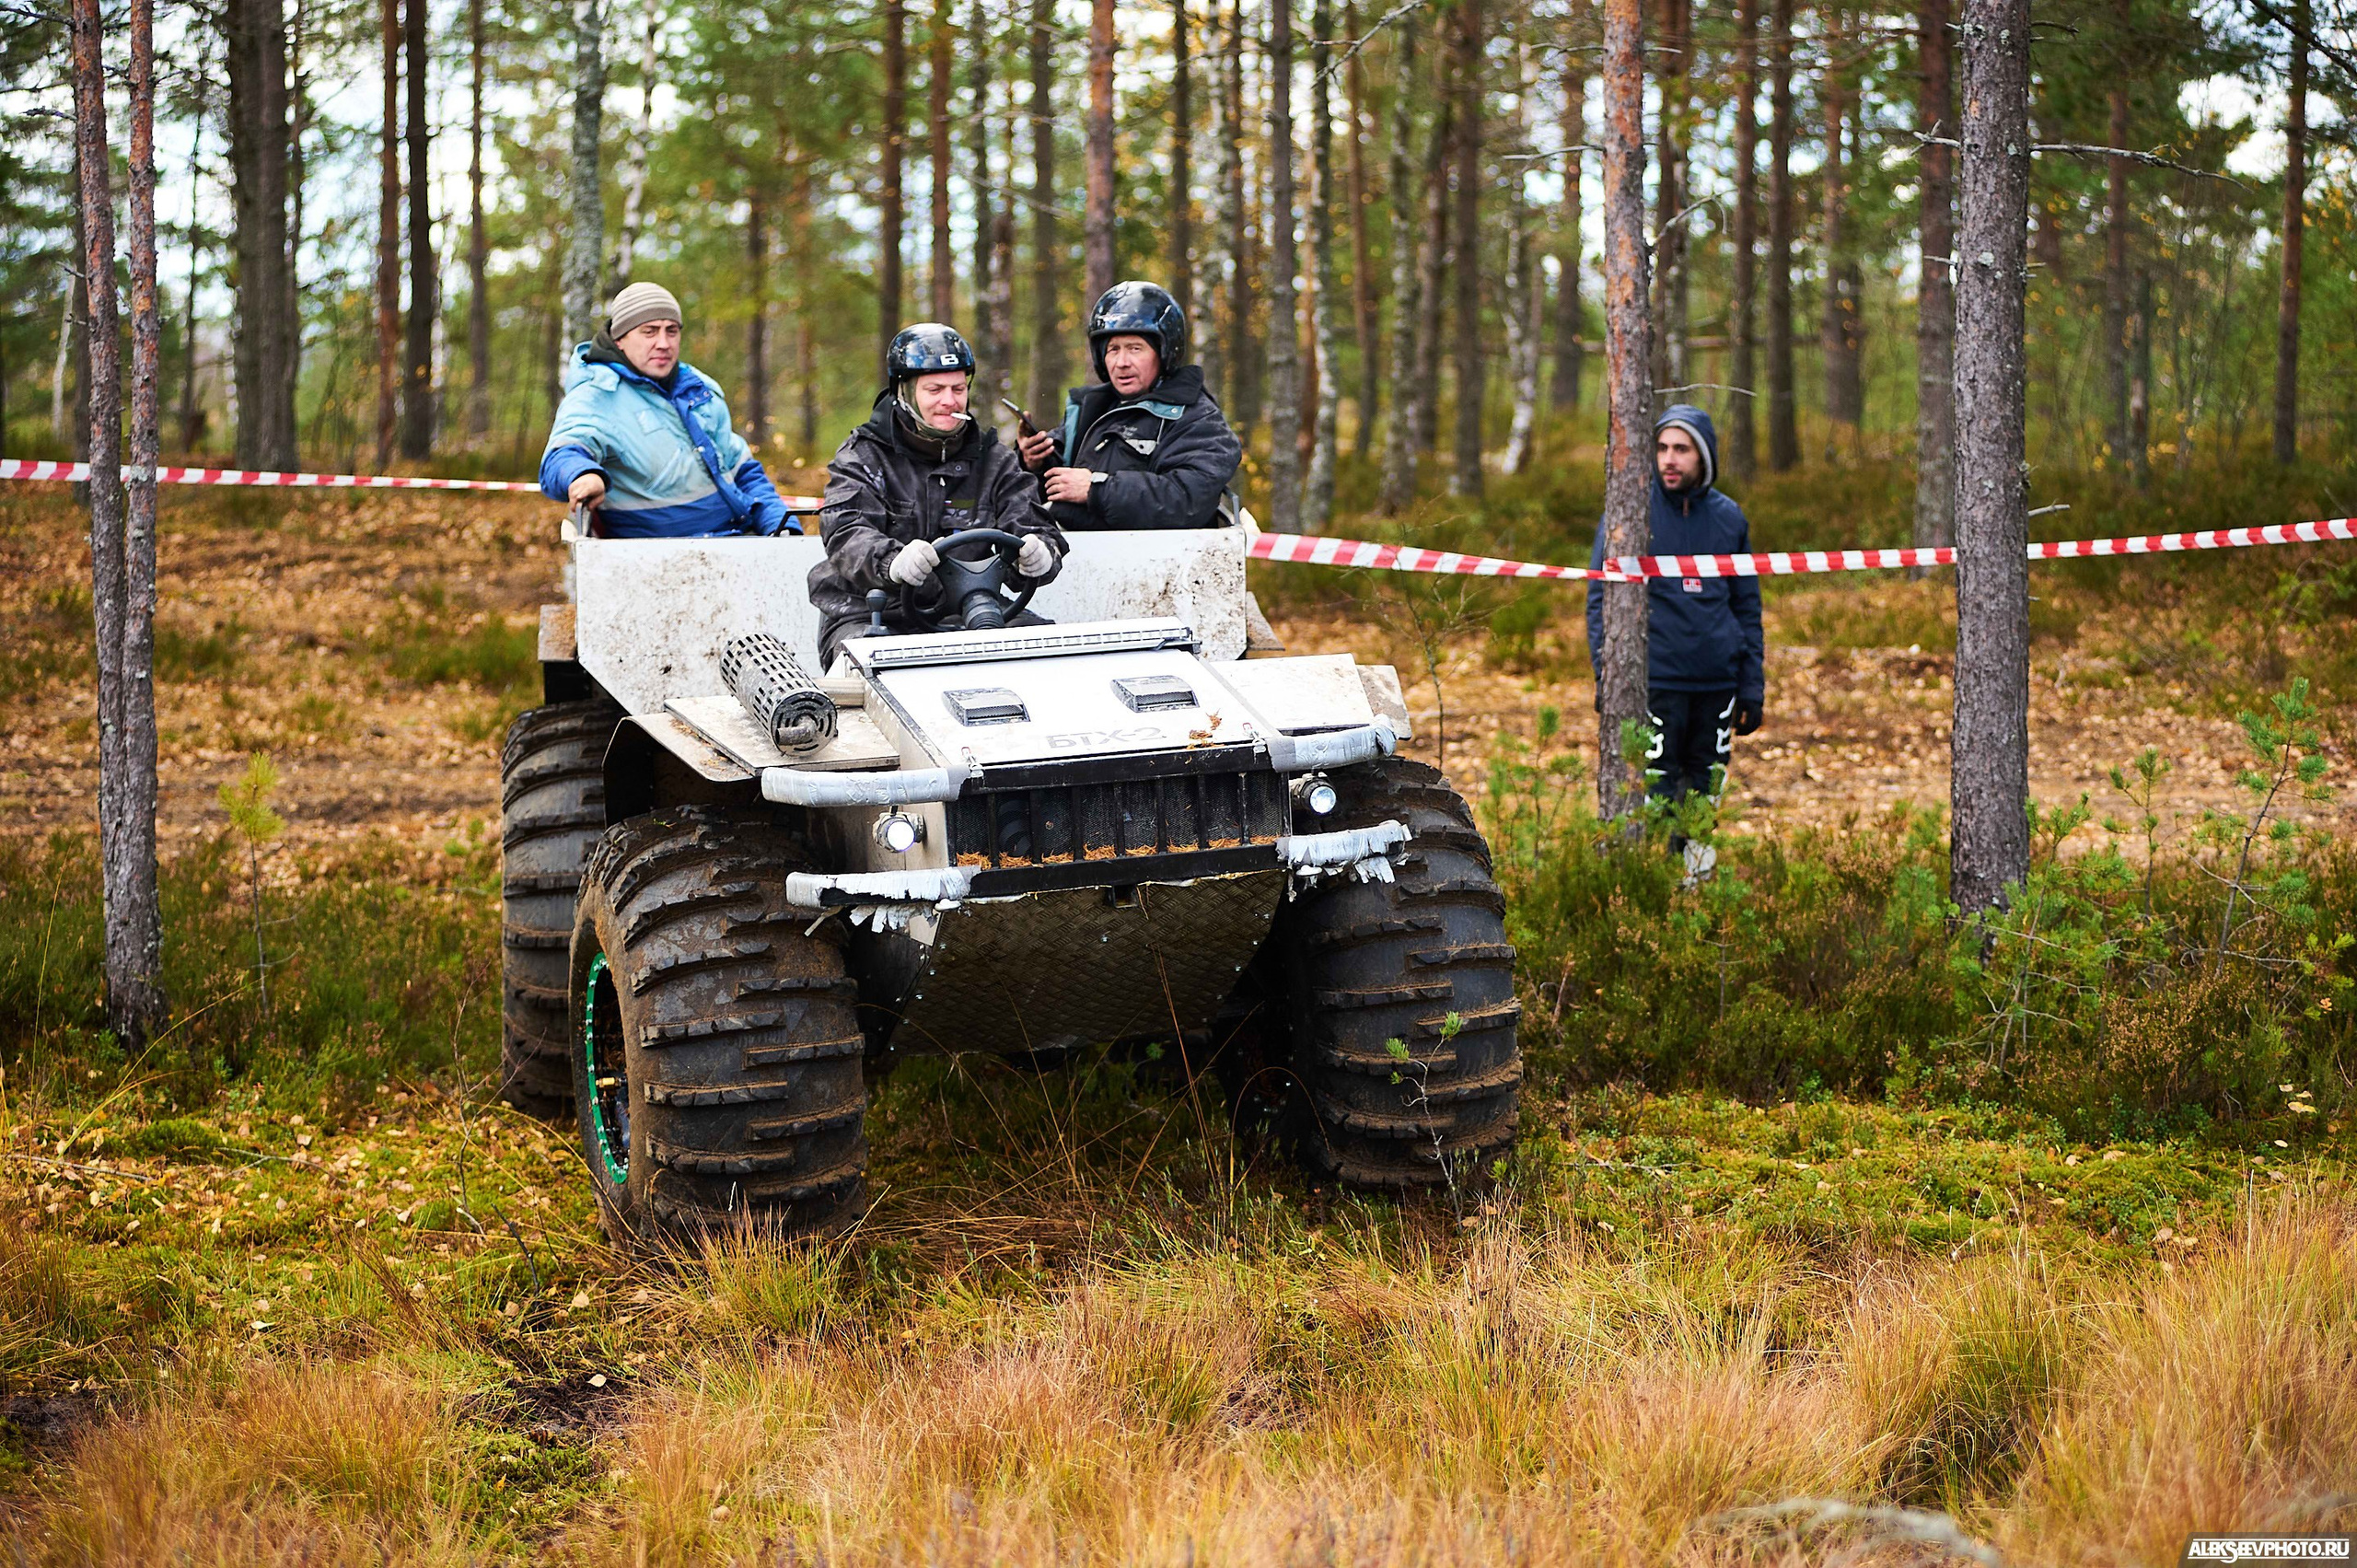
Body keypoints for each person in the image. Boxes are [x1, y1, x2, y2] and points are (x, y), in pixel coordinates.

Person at [808, 323, 1066, 668]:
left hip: (967, 611)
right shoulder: (864, 455)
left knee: (1049, 655)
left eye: (958, 388)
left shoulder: (994, 458)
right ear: (904, 391)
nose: (949, 401)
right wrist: (892, 562)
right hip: (873, 615)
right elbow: (846, 533)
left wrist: (1040, 553)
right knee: (873, 669)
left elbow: (1032, 525)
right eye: (934, 389)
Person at [1585, 403, 1766, 806]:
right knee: (1653, 798)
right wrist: (1606, 674)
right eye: (1662, 447)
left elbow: (1747, 608)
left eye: (1681, 449)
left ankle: (1696, 870)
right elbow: (1600, 601)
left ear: (1703, 455)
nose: (1669, 458)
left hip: (1717, 683)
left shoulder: (1729, 518)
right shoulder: (1630, 514)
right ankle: (1655, 869)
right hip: (1656, 683)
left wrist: (1752, 686)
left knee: (1705, 797)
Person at [540, 282, 797, 537]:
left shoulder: (699, 389)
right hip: (654, 560)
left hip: (734, 541)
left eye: (671, 331)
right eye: (649, 332)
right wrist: (583, 475)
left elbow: (744, 472)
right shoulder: (597, 395)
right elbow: (558, 459)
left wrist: (781, 526)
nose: (663, 343)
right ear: (619, 339)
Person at [1015, 281, 1242, 530]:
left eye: (1135, 349)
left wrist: (1097, 489)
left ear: (1165, 351)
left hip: (1161, 563)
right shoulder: (1089, 409)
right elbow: (1045, 490)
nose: (1121, 362)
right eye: (1113, 349)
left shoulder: (1198, 418)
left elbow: (1187, 499)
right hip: (1078, 559)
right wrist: (1033, 462)